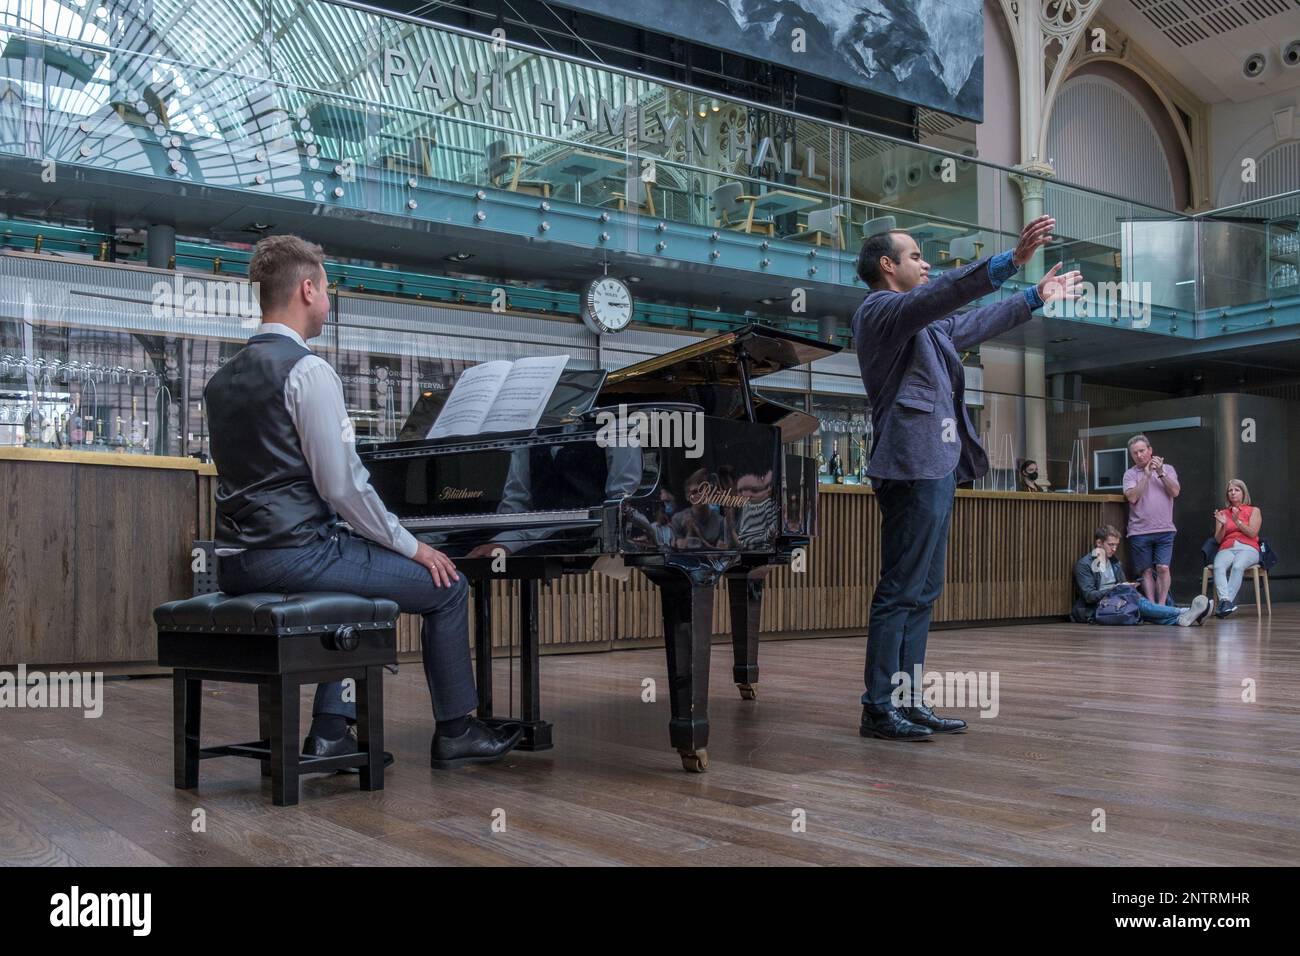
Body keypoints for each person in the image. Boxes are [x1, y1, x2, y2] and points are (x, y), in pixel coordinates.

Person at [207, 234, 523, 771]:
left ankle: (332, 732)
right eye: (328, 290)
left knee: (349, 580)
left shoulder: (222, 380)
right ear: (307, 289)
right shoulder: (307, 371)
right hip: (297, 554)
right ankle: (456, 730)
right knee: (447, 586)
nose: (330, 302)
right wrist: (413, 546)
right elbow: (343, 487)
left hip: (238, 562)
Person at [853, 215, 1083, 741]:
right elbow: (943, 299)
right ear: (888, 266)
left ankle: (907, 703)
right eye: (915, 256)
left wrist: (1034, 295)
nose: (925, 262)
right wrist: (1010, 261)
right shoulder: (881, 310)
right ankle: (878, 707)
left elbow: (972, 324)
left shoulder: (924, 326)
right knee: (900, 590)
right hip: (910, 466)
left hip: (934, 464)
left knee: (923, 589)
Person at [1073, 526, 1210, 626]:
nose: (1114, 549)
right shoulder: (1085, 564)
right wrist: (1115, 589)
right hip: (1100, 607)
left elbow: (1121, 584)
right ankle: (1186, 611)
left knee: (1141, 607)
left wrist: (1127, 586)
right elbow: (1089, 596)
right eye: (1110, 545)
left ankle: (1182, 619)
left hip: (1119, 600)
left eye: (1116, 545)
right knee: (1139, 603)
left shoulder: (1114, 561)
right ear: (1098, 543)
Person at [1122, 434, 1179, 605]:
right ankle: (1152, 605)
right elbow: (1132, 497)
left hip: (1165, 528)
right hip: (1139, 530)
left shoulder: (1167, 469)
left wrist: (1160, 472)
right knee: (1146, 571)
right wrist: (1146, 476)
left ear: (1150, 450)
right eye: (1134, 453)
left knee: (1163, 567)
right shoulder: (1130, 474)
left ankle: (1161, 606)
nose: (1139, 455)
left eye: (1141, 451)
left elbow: (1175, 492)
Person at [1212, 478, 1261, 618]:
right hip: (1227, 547)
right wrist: (1222, 525)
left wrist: (1237, 521)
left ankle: (1224, 603)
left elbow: (1252, 533)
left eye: (1236, 490)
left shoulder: (1254, 510)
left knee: (1238, 566)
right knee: (1218, 566)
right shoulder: (1222, 513)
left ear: (1243, 493)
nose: (1233, 493)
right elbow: (1218, 539)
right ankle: (1226, 603)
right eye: (1230, 490)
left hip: (1248, 547)